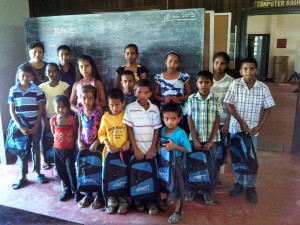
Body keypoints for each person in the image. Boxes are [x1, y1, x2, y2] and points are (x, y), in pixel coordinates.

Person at [224, 58, 275, 203]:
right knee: (238, 156)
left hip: (253, 131)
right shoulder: (236, 84)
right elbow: (229, 105)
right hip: (236, 129)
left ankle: (250, 186)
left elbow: (268, 108)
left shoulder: (263, 87)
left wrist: (259, 126)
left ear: (256, 71)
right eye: (245, 69)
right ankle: (238, 183)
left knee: (251, 158)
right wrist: (240, 121)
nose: (248, 71)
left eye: (252, 68)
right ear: (240, 71)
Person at [183, 70, 223, 205]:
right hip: (194, 139)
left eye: (206, 82)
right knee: (193, 164)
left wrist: (211, 141)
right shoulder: (191, 99)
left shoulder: (216, 99)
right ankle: (192, 189)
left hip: (212, 140)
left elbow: (217, 120)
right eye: (201, 82)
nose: (203, 85)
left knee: (211, 165)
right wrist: (195, 139)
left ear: (211, 83)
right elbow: (189, 119)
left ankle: (207, 191)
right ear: (196, 83)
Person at [123, 79, 162, 215]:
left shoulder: (154, 109)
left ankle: (152, 201)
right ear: (135, 93)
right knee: (138, 175)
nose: (142, 95)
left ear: (150, 93)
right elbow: (129, 129)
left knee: (152, 175)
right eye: (139, 92)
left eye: (146, 93)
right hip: (137, 150)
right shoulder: (130, 107)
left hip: (150, 150)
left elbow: (157, 129)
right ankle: (139, 200)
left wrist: (152, 148)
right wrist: (136, 148)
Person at [9, 65, 48, 190]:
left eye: (28, 75)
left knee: (35, 149)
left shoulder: (36, 90)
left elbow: (41, 108)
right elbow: (12, 111)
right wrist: (20, 126)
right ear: (18, 76)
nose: (25, 78)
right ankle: (23, 176)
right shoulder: (13, 90)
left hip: (34, 124)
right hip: (21, 126)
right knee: (22, 151)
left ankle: (38, 172)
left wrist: (37, 125)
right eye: (23, 75)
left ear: (32, 77)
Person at [98, 88, 130, 215]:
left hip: (123, 154)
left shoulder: (126, 115)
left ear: (123, 103)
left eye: (117, 105)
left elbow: (130, 132)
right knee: (110, 177)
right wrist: (107, 143)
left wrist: (128, 142)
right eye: (111, 105)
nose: (114, 108)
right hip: (109, 154)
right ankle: (112, 201)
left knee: (123, 176)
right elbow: (101, 134)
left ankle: (123, 201)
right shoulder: (105, 117)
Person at [159, 102, 192, 224]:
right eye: (166, 119)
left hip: (176, 163)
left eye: (173, 119)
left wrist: (175, 146)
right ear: (163, 119)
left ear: (179, 119)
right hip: (165, 161)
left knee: (177, 186)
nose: (169, 122)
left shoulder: (181, 133)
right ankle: (168, 200)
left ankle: (179, 210)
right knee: (167, 182)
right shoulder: (162, 130)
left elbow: (188, 149)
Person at [50, 95, 83, 202]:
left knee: (71, 171)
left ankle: (76, 192)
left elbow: (75, 133)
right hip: (57, 150)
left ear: (68, 107)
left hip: (69, 150)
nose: (61, 109)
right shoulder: (53, 120)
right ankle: (67, 190)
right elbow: (54, 132)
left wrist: (74, 146)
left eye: (63, 107)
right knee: (61, 171)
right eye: (58, 107)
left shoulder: (72, 120)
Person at [210, 52, 235, 187]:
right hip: (208, 123)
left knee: (220, 151)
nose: (219, 66)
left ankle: (216, 177)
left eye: (222, 63)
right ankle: (208, 176)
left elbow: (232, 104)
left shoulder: (231, 81)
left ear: (227, 65)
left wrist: (228, 123)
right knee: (208, 150)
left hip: (223, 123)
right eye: (216, 63)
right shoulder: (207, 79)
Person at [77, 84, 104, 209]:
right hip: (84, 145)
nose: (86, 101)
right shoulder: (80, 110)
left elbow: (103, 130)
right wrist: (79, 140)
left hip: (96, 145)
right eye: (84, 98)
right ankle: (88, 194)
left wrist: (97, 141)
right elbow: (80, 126)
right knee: (86, 169)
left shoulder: (99, 112)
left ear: (95, 98)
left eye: (90, 98)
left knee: (97, 168)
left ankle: (99, 195)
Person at [39, 63, 70, 169]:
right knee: (45, 140)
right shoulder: (42, 87)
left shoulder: (64, 85)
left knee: (60, 139)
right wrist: (45, 119)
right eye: (49, 71)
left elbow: (67, 103)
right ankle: (47, 161)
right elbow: (41, 105)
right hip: (47, 117)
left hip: (61, 117)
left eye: (54, 71)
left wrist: (65, 118)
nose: (51, 74)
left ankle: (59, 162)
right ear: (45, 73)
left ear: (58, 72)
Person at [153, 51, 192, 133]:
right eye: (170, 61)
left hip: (179, 111)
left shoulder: (184, 77)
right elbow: (154, 94)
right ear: (165, 62)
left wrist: (179, 98)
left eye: (176, 62)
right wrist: (163, 100)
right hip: (165, 111)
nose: (172, 64)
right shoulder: (159, 77)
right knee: (166, 132)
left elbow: (190, 94)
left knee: (180, 132)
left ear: (179, 64)